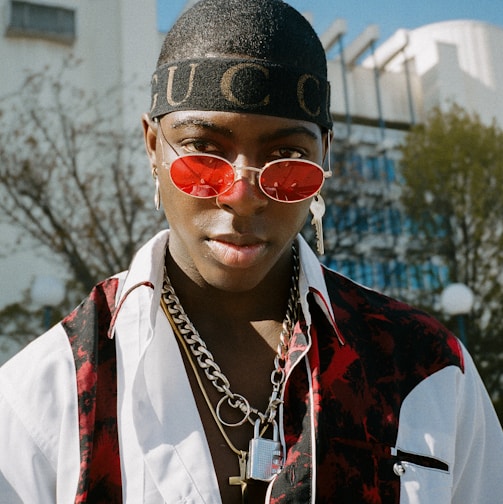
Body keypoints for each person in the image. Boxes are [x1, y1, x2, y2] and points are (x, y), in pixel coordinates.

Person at [1, 0, 502, 502]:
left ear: (324, 157)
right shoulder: (45, 394)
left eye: (287, 158)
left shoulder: (430, 371)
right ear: (153, 145)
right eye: (203, 151)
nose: (241, 196)